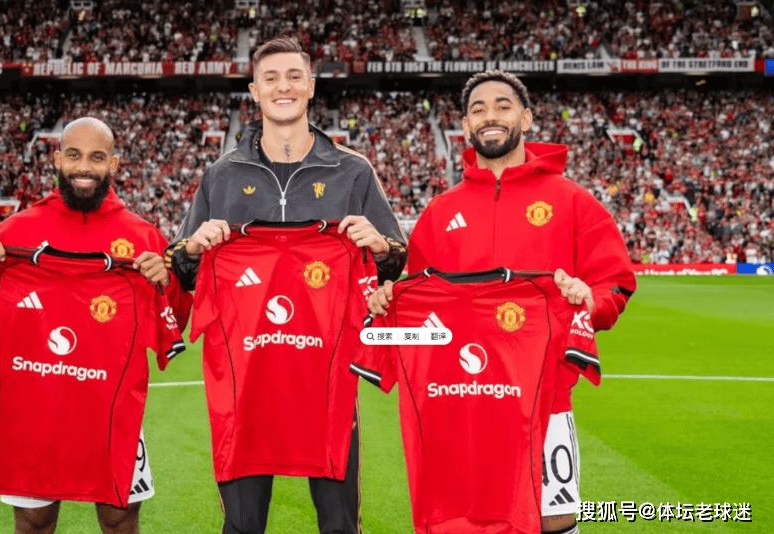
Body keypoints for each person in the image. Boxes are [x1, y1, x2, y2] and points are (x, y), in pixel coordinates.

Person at [369, 70, 637, 534]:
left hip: (543, 398)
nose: (490, 116)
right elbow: (424, 309)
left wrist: (587, 302)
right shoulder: (440, 212)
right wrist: (389, 300)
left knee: (554, 521)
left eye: (503, 106)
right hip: (458, 399)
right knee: (464, 519)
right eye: (478, 110)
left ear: (526, 118)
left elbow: (615, 283)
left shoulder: (572, 201)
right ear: (466, 127)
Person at [165, 37, 407, 534]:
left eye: (295, 76)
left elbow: (394, 265)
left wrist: (381, 248)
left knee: (340, 525)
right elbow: (182, 273)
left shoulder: (352, 170)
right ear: (254, 91)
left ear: (311, 86)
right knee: (242, 526)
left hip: (326, 381)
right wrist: (192, 250)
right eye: (271, 78)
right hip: (245, 385)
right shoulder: (221, 175)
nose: (284, 87)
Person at [0, 117, 191, 534]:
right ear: (57, 159)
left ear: (113, 164)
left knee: (119, 517)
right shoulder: (16, 230)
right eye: (74, 155)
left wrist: (168, 281)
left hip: (111, 410)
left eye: (96, 157)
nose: (84, 167)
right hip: (34, 410)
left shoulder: (144, 237)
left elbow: (173, 321)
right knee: (34, 521)